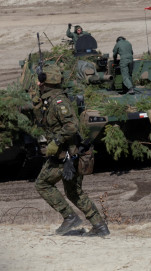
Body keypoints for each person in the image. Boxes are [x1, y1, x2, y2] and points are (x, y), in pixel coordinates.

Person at [34, 64, 109, 236]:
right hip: (68, 154)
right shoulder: (49, 100)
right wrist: (37, 104)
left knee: (42, 184)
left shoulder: (59, 102)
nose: (38, 83)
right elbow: (45, 122)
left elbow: (71, 126)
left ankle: (70, 217)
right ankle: (99, 226)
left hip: (65, 155)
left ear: (47, 82)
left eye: (40, 80)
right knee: (74, 192)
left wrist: (56, 141)